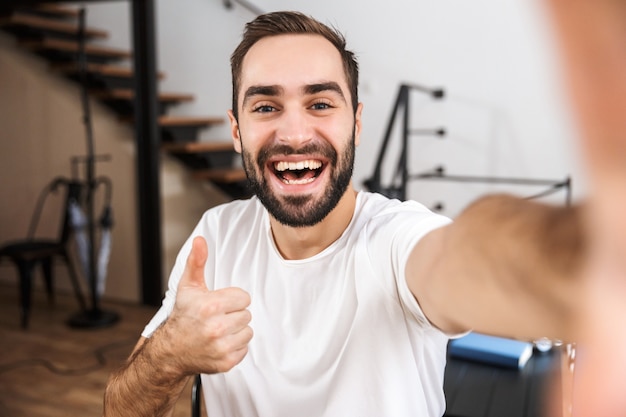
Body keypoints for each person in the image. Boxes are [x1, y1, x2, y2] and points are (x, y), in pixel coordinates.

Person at [103, 10, 589, 417]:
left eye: (319, 103)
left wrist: (578, 261)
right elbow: (119, 410)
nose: (294, 134)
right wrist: (170, 354)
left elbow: (462, 260)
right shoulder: (217, 235)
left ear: (356, 122)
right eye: (266, 107)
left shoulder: (396, 240)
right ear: (236, 130)